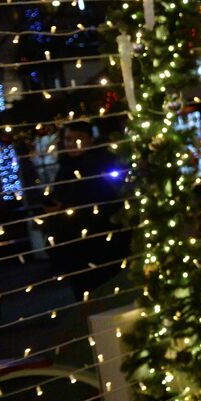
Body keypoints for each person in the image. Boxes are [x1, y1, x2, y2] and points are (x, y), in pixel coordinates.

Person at [43, 120, 129, 301]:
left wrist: (65, 207)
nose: (73, 143)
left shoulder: (101, 163)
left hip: (103, 243)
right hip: (75, 248)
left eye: (79, 138)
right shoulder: (65, 168)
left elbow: (103, 199)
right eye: (68, 139)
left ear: (90, 139)